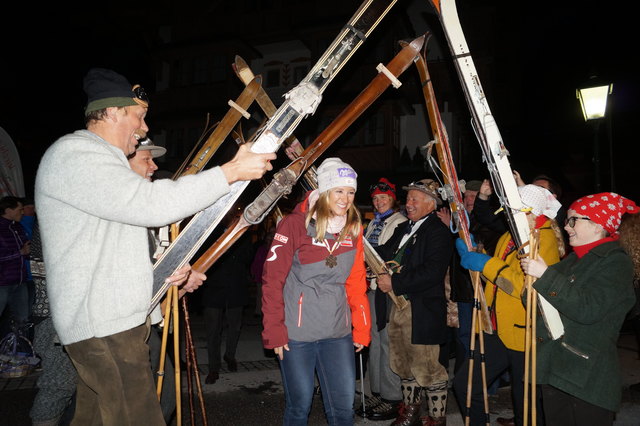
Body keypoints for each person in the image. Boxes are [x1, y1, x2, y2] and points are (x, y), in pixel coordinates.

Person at [34, 67, 275, 425]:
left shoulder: (98, 163)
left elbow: (119, 245)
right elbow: (151, 204)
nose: (145, 128)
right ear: (113, 112)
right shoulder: (77, 154)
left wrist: (168, 272)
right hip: (105, 326)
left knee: (93, 419)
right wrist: (231, 172)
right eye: (140, 116)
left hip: (110, 323)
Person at [261, 157, 370, 425]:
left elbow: (356, 282)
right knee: (300, 406)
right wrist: (274, 330)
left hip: (338, 333)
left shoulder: (353, 229)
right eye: (339, 191)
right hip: (298, 335)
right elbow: (272, 279)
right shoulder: (294, 225)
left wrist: (362, 328)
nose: (345, 198)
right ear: (324, 192)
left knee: (343, 408)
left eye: (351, 192)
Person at [521, 192, 639, 426]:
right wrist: (531, 288)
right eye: (567, 220)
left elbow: (588, 309)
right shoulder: (572, 261)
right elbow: (540, 305)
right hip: (554, 367)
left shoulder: (615, 263)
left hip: (586, 375)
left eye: (574, 220)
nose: (566, 226)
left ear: (598, 225)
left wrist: (545, 276)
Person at [454, 184, 564, 426]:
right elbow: (498, 279)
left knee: (527, 405)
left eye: (514, 211)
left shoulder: (543, 239)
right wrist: (475, 257)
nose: (507, 216)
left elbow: (524, 288)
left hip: (526, 335)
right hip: (497, 328)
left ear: (532, 213)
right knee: (466, 385)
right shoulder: (512, 234)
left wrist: (485, 264)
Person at [375, 178, 453, 426]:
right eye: (408, 198)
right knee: (403, 363)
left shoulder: (438, 231)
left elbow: (432, 272)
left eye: (414, 199)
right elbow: (382, 253)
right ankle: (410, 414)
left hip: (422, 310)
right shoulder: (403, 228)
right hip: (398, 307)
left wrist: (394, 283)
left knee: (428, 367)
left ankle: (437, 419)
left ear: (431, 204)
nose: (408, 203)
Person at [359, 177, 407, 420]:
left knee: (387, 342)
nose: (378, 202)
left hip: (387, 290)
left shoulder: (400, 222)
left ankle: (392, 396)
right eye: (376, 198)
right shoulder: (372, 224)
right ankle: (378, 390)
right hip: (371, 288)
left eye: (383, 198)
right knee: (374, 340)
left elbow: (386, 253)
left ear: (392, 199)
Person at [202, 230, 255, 385]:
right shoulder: (212, 232)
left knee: (235, 327)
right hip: (213, 288)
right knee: (213, 331)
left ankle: (230, 355)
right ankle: (213, 367)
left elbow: (248, 257)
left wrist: (236, 243)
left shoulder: (243, 233)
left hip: (235, 288)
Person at [0, 196, 30, 332]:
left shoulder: (17, 227)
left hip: (20, 281)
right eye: (19, 209)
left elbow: (25, 251)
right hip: (2, 283)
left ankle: (18, 351)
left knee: (22, 321)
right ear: (8, 210)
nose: (22, 212)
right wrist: (20, 252)